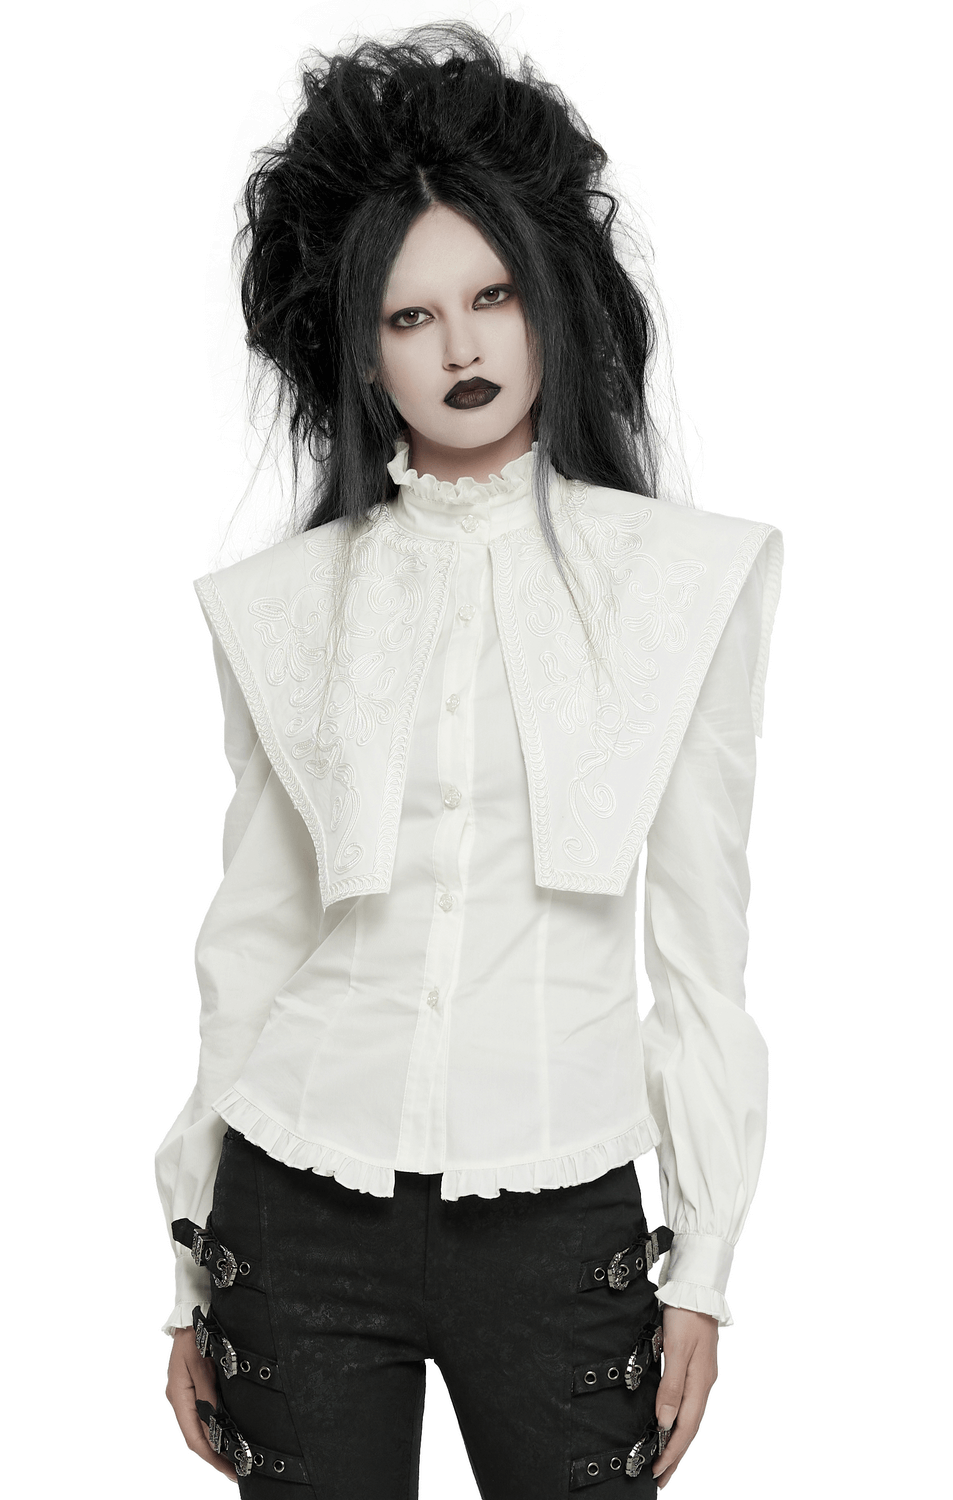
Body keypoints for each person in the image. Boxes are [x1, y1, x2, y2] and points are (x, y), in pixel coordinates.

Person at [155, 23, 782, 1497]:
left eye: (491, 297)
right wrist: (187, 1267)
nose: (461, 348)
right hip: (294, 1213)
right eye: (411, 315)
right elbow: (253, 939)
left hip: (561, 1219)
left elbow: (704, 948)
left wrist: (703, 1262)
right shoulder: (287, 604)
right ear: (359, 349)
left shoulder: (684, 583)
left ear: (549, 298)